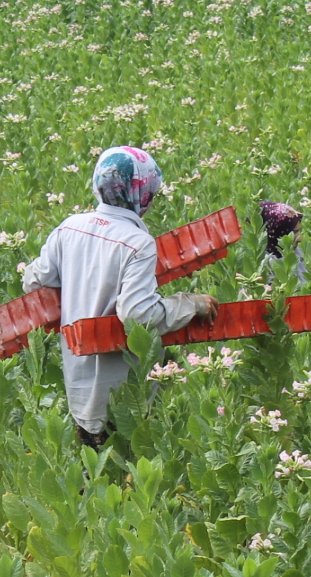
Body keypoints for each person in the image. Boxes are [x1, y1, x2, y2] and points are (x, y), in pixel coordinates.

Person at [21, 146, 218, 447]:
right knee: (125, 463)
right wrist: (191, 304)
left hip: (78, 378)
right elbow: (138, 314)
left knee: (91, 460)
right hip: (123, 387)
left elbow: (34, 281)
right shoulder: (138, 242)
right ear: (144, 193)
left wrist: (79, 286)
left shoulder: (69, 227)